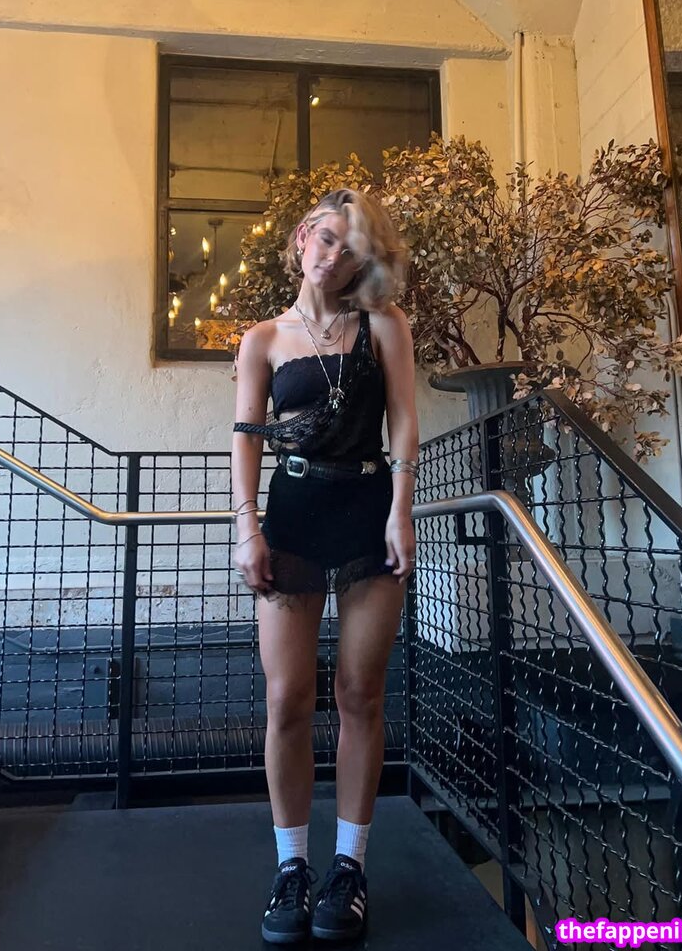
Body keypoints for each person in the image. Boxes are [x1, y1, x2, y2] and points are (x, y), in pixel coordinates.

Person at [231, 188, 419, 944]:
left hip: (369, 512)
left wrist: (401, 509)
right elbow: (246, 438)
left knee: (359, 694)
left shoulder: (383, 324)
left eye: (351, 248)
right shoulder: (262, 339)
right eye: (326, 238)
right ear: (303, 236)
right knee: (287, 699)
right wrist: (247, 528)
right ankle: (291, 868)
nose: (334, 255)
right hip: (294, 516)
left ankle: (349, 868)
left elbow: (404, 421)